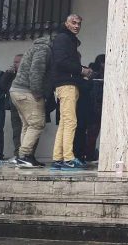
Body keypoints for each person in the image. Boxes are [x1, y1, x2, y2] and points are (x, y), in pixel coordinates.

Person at [50, 14, 92, 170]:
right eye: (73, 23)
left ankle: (58, 158)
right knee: (70, 122)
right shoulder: (63, 39)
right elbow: (61, 62)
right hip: (66, 84)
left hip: (67, 84)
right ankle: (68, 158)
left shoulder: (66, 39)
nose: (76, 26)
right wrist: (82, 70)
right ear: (66, 23)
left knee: (64, 122)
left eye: (79, 23)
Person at [9, 36, 53, 168]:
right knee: (37, 124)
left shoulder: (35, 48)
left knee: (27, 125)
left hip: (18, 91)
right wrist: (37, 92)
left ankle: (24, 156)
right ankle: (24, 155)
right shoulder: (43, 49)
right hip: (27, 91)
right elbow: (36, 71)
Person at [0, 54, 23, 158]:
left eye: (17, 62)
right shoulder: (12, 75)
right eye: (14, 62)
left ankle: (28, 154)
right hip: (14, 106)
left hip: (27, 105)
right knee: (17, 131)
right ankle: (18, 154)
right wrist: (8, 73)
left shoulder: (29, 73)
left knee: (29, 130)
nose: (14, 64)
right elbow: (2, 85)